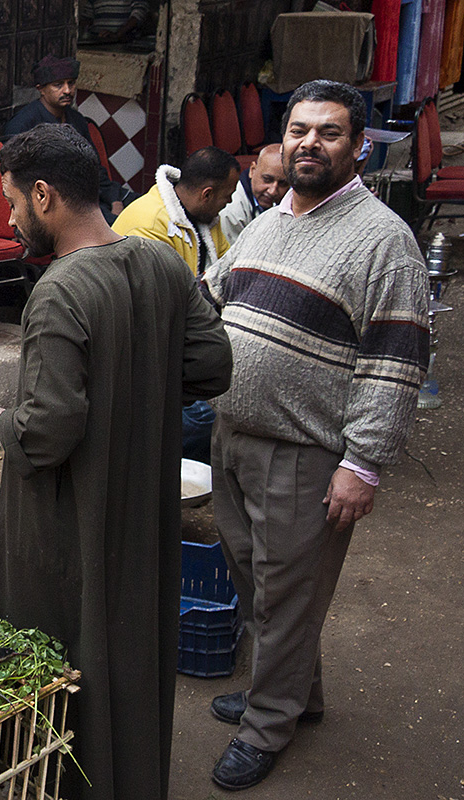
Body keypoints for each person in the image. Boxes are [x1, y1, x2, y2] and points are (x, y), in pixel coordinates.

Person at [0, 124, 232, 800]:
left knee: (63, 661)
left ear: (45, 195)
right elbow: (212, 364)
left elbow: (45, 435)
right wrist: (135, 390)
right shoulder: (161, 263)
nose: (7, 219)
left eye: (11, 202)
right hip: (142, 512)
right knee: (131, 647)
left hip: (66, 525)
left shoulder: (61, 292)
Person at [201, 80, 429, 791]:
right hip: (234, 433)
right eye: (299, 130)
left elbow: (394, 365)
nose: (310, 143)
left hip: (304, 452)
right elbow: (215, 293)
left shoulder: (384, 243)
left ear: (358, 144)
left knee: (286, 592)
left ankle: (267, 724)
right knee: (257, 580)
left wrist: (362, 465)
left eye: (329, 132)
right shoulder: (270, 217)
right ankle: (299, 695)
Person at [3, 55, 135, 222]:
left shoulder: (76, 119)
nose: (67, 90)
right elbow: (20, 180)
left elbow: (93, 167)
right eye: (58, 85)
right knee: (120, 224)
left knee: (144, 207)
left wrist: (114, 199)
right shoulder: (22, 125)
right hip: (59, 205)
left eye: (71, 83)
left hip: (92, 193)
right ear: (41, 89)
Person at [112, 146, 238, 276]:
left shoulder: (208, 218)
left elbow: (228, 268)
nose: (230, 201)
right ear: (207, 195)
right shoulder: (150, 226)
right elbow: (162, 293)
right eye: (228, 195)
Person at [218, 144, 288, 244]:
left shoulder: (294, 196)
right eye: (267, 180)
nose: (272, 191)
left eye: (283, 184)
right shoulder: (232, 213)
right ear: (252, 170)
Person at [81, 0, 149, 40]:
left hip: (124, 45)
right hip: (96, 43)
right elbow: (86, 18)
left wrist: (118, 34)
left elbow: (139, 15)